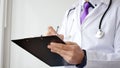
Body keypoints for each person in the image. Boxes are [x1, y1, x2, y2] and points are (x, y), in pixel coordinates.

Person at [47, 0, 120, 68]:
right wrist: (55, 44)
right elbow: (65, 54)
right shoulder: (71, 11)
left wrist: (84, 58)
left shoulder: (117, 8)